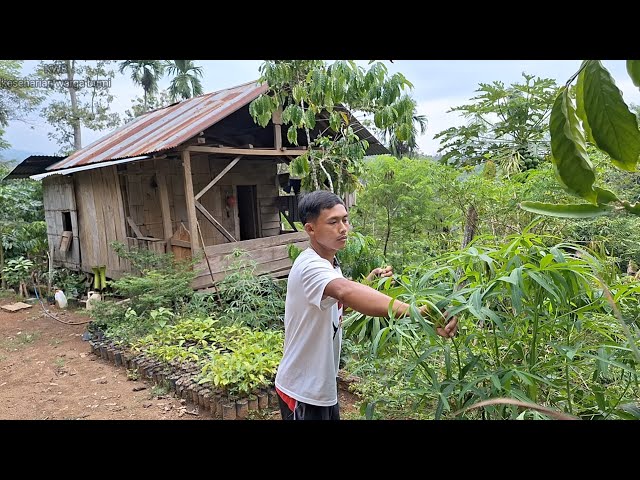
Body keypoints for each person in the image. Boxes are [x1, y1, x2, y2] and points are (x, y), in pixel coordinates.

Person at [274, 190, 458, 420]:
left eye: (345, 219)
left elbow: (339, 302)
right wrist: (417, 312)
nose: (343, 228)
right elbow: (345, 291)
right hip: (302, 391)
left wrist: (371, 282)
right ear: (310, 229)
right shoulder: (309, 266)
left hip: (321, 387)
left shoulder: (330, 263)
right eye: (333, 222)